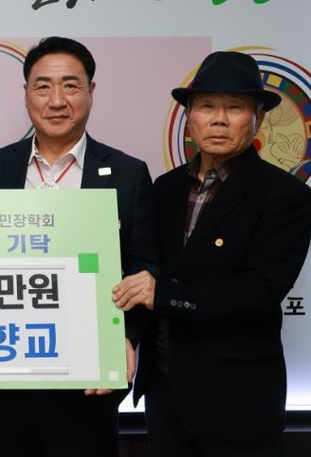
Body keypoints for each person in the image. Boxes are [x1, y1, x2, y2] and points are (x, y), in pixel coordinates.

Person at [112, 51, 311, 457]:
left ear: (258, 118)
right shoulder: (164, 188)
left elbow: (258, 293)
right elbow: (143, 266)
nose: (219, 120)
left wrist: (164, 295)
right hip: (164, 395)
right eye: (207, 107)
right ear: (189, 116)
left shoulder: (286, 196)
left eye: (235, 108)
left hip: (238, 400)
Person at [0, 36, 159, 457]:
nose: (57, 100)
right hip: (8, 371)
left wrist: (125, 337)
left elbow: (143, 264)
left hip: (89, 374)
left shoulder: (127, 172)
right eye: (43, 86)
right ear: (26, 94)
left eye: (71, 86)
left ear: (91, 91)